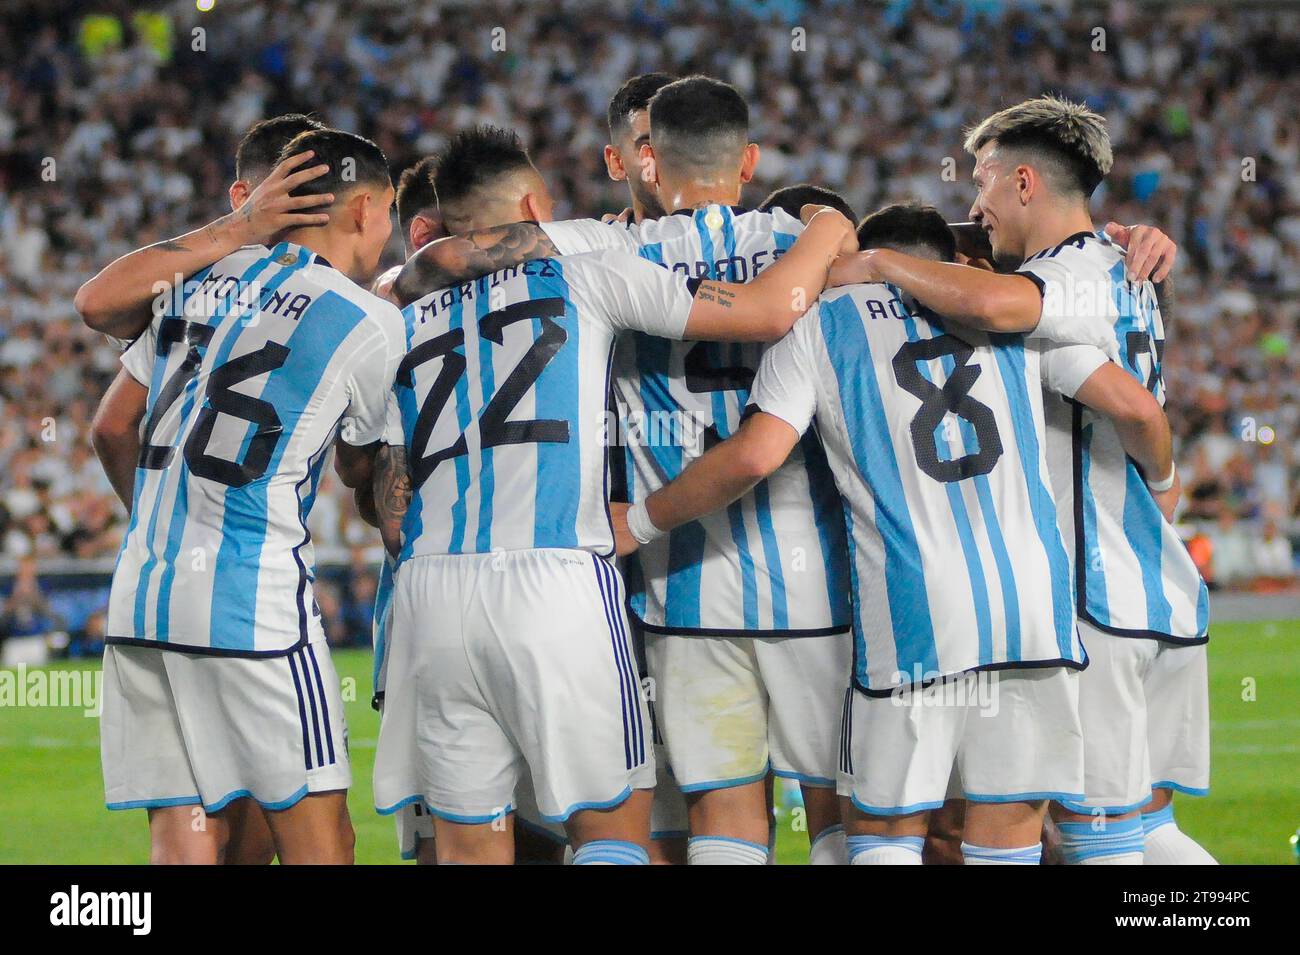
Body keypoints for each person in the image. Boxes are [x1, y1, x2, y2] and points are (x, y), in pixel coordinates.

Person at [370, 180, 856, 863]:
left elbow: (378, 494)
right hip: (587, 576)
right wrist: (831, 222)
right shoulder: (594, 268)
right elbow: (773, 313)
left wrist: (397, 277)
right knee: (615, 819)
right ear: (536, 205)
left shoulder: (401, 317)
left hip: (437, 590)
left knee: (466, 838)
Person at [857, 95, 1213, 864]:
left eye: (982, 182)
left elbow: (1135, 407)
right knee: (1148, 828)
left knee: (1099, 842)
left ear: (1024, 181)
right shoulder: (1124, 267)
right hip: (1151, 585)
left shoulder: (1058, 286)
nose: (974, 202)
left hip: (1093, 596)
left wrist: (1165, 473)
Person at [92, 127, 405, 864]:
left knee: (188, 840)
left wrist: (163, 517)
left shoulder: (196, 280)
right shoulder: (366, 318)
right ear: (362, 210)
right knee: (322, 839)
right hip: (251, 598)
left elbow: (110, 427)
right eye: (388, 213)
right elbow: (368, 469)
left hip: (142, 592)